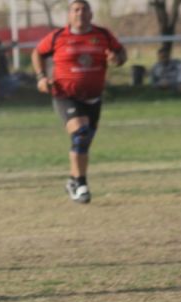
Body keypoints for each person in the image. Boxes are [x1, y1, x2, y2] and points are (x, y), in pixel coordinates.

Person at [31, 0, 126, 204]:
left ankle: (73, 180)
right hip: (65, 95)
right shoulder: (58, 36)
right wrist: (41, 77)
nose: (80, 13)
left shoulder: (103, 35)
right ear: (69, 14)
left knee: (85, 141)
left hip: (94, 97)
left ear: (91, 13)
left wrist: (116, 59)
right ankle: (81, 184)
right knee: (81, 135)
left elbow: (121, 54)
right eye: (76, 9)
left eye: (84, 9)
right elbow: (37, 52)